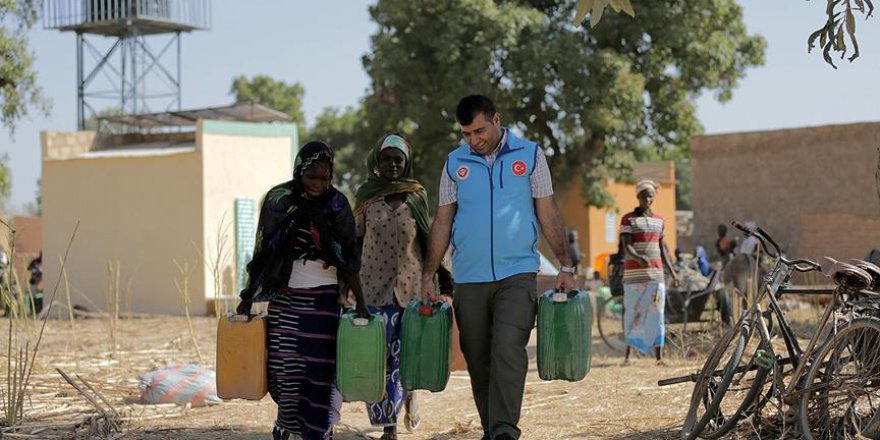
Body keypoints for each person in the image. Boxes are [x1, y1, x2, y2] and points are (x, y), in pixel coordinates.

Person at [419, 95, 575, 440]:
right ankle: (493, 430)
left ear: (496, 119)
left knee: (508, 348)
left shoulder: (530, 155)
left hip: (517, 272)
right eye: (467, 134)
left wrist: (565, 263)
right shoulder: (453, 162)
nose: (474, 140)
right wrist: (428, 273)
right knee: (478, 359)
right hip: (469, 276)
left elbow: (547, 210)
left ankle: (505, 431)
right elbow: (442, 220)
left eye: (479, 130)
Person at [236, 141, 369, 440]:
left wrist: (360, 302)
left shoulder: (337, 205)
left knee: (318, 371)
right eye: (312, 177)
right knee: (285, 369)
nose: (319, 184)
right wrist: (247, 297)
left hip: (323, 303)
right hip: (285, 298)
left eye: (325, 178)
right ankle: (286, 426)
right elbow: (263, 252)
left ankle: (318, 431)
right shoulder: (278, 200)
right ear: (299, 171)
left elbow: (349, 257)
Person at [353, 134, 453, 440]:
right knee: (377, 359)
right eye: (387, 159)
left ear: (406, 162)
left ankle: (408, 399)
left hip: (409, 292)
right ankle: (388, 425)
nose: (393, 165)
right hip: (373, 290)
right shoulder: (367, 197)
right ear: (377, 162)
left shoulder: (416, 195)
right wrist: (346, 285)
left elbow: (428, 238)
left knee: (403, 357)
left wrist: (441, 278)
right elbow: (354, 241)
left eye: (398, 159)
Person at [620, 179, 680, 365]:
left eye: (650, 195)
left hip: (656, 277)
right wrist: (639, 258)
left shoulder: (659, 220)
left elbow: (662, 250)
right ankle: (629, 356)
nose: (647, 198)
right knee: (633, 313)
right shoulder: (628, 219)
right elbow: (626, 246)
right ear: (637, 197)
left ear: (654, 197)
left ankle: (659, 357)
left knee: (657, 313)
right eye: (644, 195)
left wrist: (673, 273)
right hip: (633, 277)